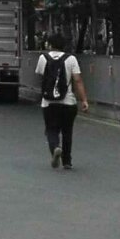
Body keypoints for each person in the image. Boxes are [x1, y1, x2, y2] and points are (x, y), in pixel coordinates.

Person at [34, 34, 89, 169]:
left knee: (51, 129)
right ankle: (67, 161)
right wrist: (84, 100)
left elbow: (41, 76)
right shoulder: (71, 59)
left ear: (49, 44)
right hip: (68, 102)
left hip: (48, 102)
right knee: (67, 131)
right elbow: (77, 80)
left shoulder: (43, 58)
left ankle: (55, 148)